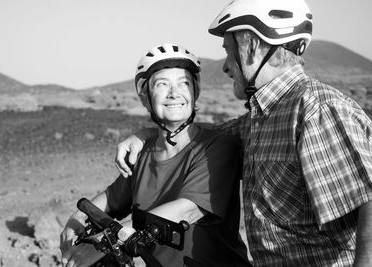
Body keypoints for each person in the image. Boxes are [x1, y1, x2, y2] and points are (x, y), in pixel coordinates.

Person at [114, 0, 372, 266]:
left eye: (228, 50)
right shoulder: (260, 119)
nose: (225, 66)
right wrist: (146, 134)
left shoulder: (315, 110)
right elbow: (200, 136)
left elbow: (369, 204)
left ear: (251, 46)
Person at [60, 43, 251, 267]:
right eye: (162, 84)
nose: (174, 93)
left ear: (195, 92)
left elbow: (186, 210)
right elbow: (112, 198)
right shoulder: (143, 152)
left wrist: (105, 242)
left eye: (184, 83)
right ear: (145, 98)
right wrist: (77, 218)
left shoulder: (217, 147)